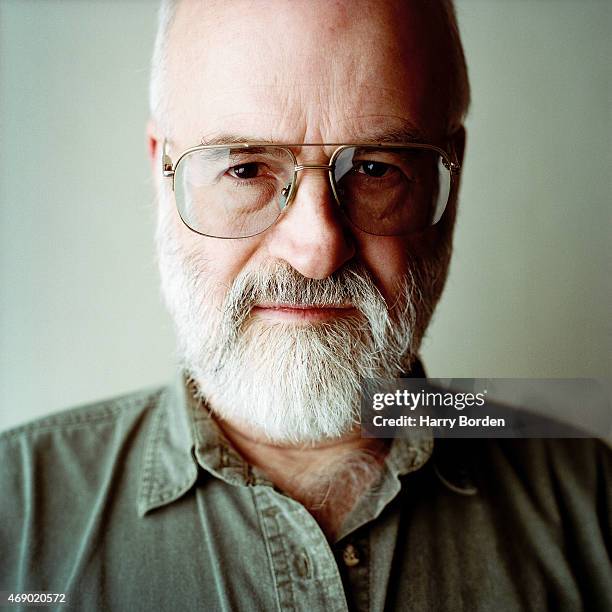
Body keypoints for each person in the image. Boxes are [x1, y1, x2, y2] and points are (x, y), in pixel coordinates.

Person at [1, 1, 610, 610]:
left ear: (448, 182)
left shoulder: (592, 503)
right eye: (245, 169)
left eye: (375, 168)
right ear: (162, 173)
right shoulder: (15, 518)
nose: (316, 248)